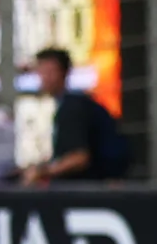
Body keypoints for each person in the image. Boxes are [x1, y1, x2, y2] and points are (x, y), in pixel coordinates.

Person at [17, 46, 127, 183]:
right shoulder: (74, 102)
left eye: (49, 71)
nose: (44, 78)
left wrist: (41, 173)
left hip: (86, 190)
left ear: (64, 73)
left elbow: (79, 158)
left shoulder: (72, 107)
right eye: (40, 71)